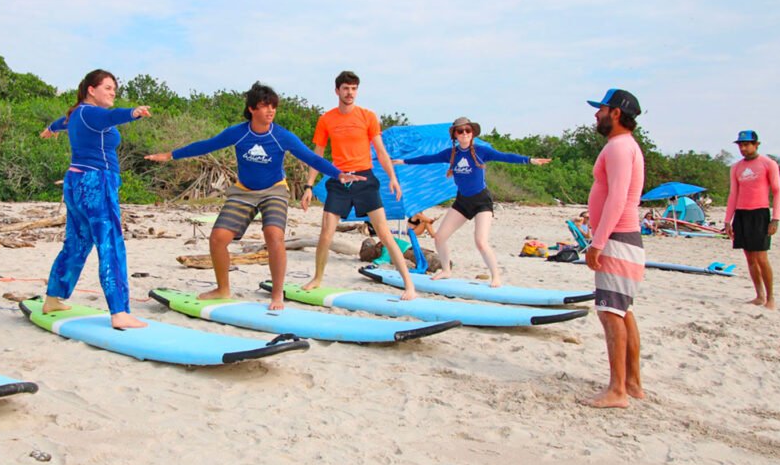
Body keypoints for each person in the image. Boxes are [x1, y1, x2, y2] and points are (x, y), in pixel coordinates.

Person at [146, 82, 363, 310]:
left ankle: (277, 294)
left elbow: (311, 158)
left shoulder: (281, 136)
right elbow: (206, 145)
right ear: (252, 109)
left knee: (273, 235)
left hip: (274, 190)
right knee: (218, 238)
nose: (270, 111)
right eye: (264, 106)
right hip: (243, 191)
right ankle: (222, 289)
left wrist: (338, 174)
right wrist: (171, 155)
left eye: (273, 107)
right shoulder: (238, 133)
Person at [41, 69, 151, 329]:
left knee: (77, 243)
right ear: (91, 89)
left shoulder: (77, 114)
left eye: (114, 88)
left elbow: (62, 122)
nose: (113, 92)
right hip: (97, 182)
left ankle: (53, 298)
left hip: (75, 181)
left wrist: (50, 129)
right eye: (107, 87)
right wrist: (132, 112)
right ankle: (119, 312)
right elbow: (113, 115)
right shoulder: (92, 113)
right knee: (110, 243)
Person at [299, 71, 416, 300]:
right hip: (340, 181)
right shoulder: (326, 120)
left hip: (364, 179)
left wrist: (392, 177)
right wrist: (309, 185)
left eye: (353, 88)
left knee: (384, 233)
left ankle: (409, 285)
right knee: (325, 234)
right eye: (345, 88)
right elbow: (318, 156)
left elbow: (381, 151)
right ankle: (318, 278)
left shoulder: (367, 116)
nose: (350, 92)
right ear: (337, 91)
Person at [395, 117, 552, 287]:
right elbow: (428, 158)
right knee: (440, 237)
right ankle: (446, 270)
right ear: (455, 134)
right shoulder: (451, 153)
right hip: (462, 201)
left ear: (472, 133)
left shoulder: (481, 151)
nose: (464, 134)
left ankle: (496, 276)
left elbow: (505, 156)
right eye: (460, 131)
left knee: (480, 241)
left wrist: (529, 160)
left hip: (481, 201)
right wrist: (403, 161)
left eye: (467, 131)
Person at [583, 88, 646, 409]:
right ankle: (632, 383)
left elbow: (618, 198)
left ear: (616, 113)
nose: (596, 114)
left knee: (610, 314)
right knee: (622, 312)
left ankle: (618, 390)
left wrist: (597, 242)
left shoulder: (620, 147)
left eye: (602, 109)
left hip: (618, 241)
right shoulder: (622, 146)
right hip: (623, 240)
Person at [725, 130, 780, 310]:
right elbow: (733, 194)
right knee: (749, 258)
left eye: (747, 144)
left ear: (756, 144)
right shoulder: (736, 167)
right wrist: (728, 220)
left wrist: (775, 218)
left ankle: (770, 297)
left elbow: (777, 191)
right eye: (741, 145)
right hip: (742, 214)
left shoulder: (768, 164)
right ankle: (759, 295)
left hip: (760, 213)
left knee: (761, 257)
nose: (744, 148)